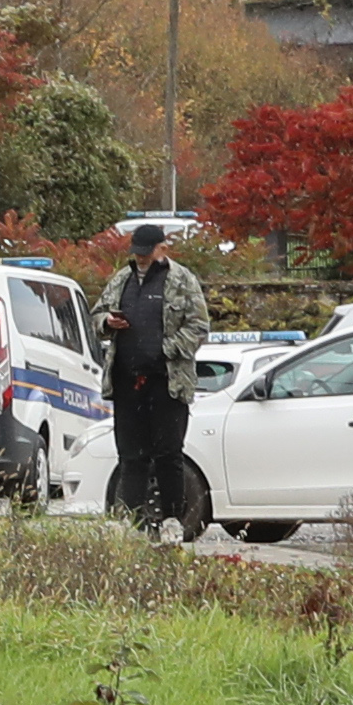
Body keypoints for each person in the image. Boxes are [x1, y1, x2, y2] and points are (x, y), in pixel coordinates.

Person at [100, 213, 211, 529]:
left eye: (147, 251)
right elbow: (98, 315)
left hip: (168, 383)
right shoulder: (121, 279)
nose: (141, 256)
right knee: (130, 457)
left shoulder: (182, 280)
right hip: (126, 381)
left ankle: (172, 521)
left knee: (168, 455)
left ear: (163, 248)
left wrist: (166, 349)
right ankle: (132, 523)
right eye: (137, 250)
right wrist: (107, 322)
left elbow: (200, 326)